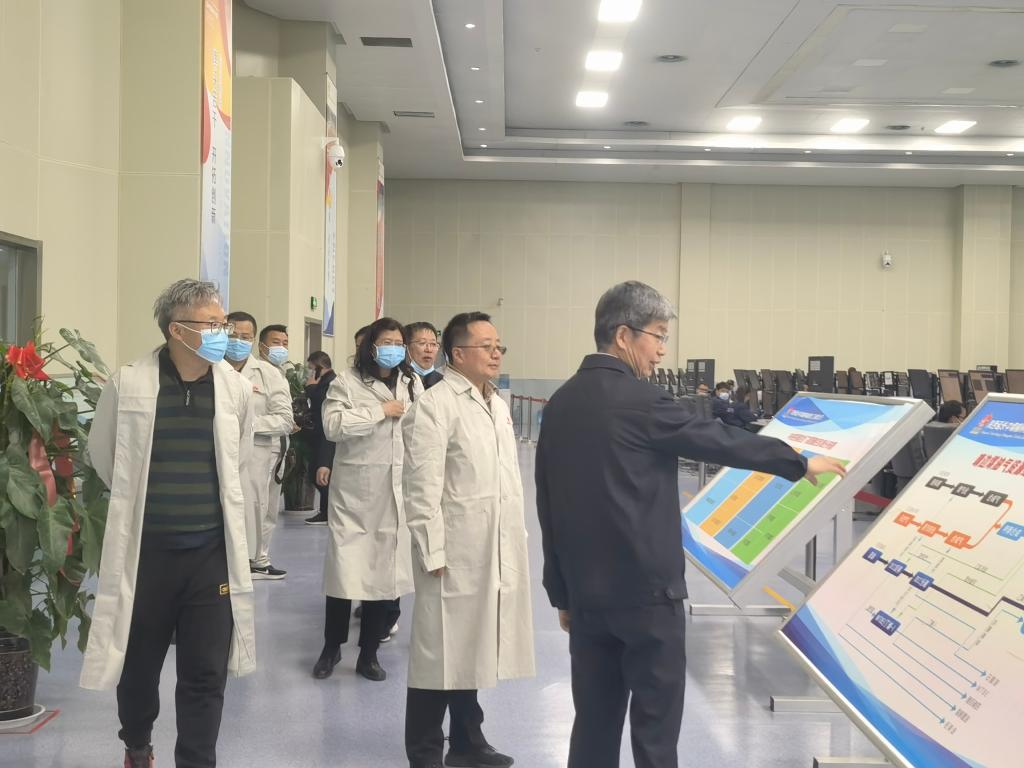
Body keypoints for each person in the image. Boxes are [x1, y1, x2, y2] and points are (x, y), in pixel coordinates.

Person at [535, 281, 846, 768]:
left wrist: (561, 593)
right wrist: (797, 460)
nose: (662, 350)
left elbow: (548, 504)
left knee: (593, 726)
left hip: (586, 597)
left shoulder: (560, 404)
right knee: (655, 735)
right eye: (658, 336)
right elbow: (718, 439)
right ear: (623, 335)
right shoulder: (642, 401)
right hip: (648, 597)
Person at [82, 279, 256, 768]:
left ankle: (197, 760)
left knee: (205, 672)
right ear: (178, 330)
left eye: (223, 323)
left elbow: (238, 462)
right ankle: (137, 744)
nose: (224, 333)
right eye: (213, 324)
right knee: (138, 666)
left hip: (210, 555)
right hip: (147, 553)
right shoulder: (128, 383)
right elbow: (105, 457)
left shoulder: (235, 388)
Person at [402, 311, 532, 768]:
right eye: (486, 346)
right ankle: (424, 751)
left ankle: (467, 740)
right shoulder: (435, 406)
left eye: (499, 346)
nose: (496, 354)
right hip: (451, 553)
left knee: (472, 645)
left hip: (491, 546)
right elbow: (421, 489)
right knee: (438, 653)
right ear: (458, 354)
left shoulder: (496, 404)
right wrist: (432, 550)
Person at [312, 318, 421, 682]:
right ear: (371, 346)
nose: (394, 348)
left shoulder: (411, 383)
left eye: (399, 342)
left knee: (382, 578)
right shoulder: (346, 382)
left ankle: (369, 654)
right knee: (344, 575)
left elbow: (422, 430)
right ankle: (331, 648)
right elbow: (333, 426)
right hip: (355, 496)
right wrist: (379, 412)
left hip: (396, 493)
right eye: (386, 341)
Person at [226, 311, 294, 580]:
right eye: (233, 336)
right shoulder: (209, 368)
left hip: (259, 452)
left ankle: (257, 559)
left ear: (254, 340)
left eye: (245, 337)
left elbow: (285, 419)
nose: (238, 341)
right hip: (218, 451)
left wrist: (245, 425)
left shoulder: (268, 374)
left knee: (258, 507)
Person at [303, 351, 337, 526]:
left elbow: (321, 403)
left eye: (311, 369)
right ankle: (325, 511)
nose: (309, 373)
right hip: (317, 434)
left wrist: (310, 388)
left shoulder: (331, 382)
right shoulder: (323, 381)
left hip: (326, 436)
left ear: (319, 367)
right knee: (316, 473)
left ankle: (329, 511)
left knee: (320, 474)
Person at [405, 321, 444, 389]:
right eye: (422, 343)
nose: (429, 350)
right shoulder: (397, 382)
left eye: (433, 344)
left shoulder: (443, 383)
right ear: (406, 347)